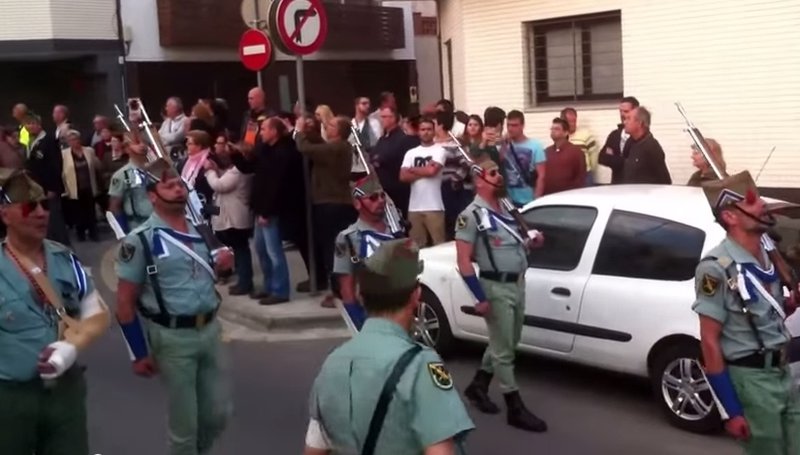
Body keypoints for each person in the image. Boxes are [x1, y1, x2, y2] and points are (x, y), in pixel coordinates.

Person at [303, 239, 475, 454]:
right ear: (416, 295)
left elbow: (314, 449)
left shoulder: (332, 364)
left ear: (361, 297)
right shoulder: (419, 365)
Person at [115, 158, 234, 455]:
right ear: (152, 196)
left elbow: (212, 274)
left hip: (209, 329)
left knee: (218, 413)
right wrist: (138, 352)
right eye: (168, 185)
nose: (178, 189)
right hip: (171, 337)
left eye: (180, 184)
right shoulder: (140, 239)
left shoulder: (201, 231)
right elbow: (125, 302)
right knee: (185, 426)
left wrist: (225, 266)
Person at [0, 168, 110, 454]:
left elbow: (96, 312)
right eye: (29, 206)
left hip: (65, 395)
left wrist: (72, 346)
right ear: (4, 215)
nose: (40, 213)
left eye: (45, 205)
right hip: (10, 398)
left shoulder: (64, 258)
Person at [693, 170, 800, 454]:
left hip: (783, 372)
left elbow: (761, 315)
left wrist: (788, 307)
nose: (762, 204)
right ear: (730, 217)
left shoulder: (768, 260)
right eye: (752, 201)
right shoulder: (716, 268)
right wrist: (731, 409)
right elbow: (709, 341)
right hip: (751, 381)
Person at [454, 159, 548, 433]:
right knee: (505, 349)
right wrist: (479, 296)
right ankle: (514, 406)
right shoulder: (470, 215)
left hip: (517, 284)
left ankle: (478, 386)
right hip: (494, 287)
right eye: (493, 173)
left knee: (507, 341)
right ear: (480, 180)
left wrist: (532, 241)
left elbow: (516, 243)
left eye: (499, 171)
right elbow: (463, 261)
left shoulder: (505, 209)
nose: (499, 176)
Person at [332, 173, 399, 330]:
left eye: (382, 196)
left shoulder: (397, 230)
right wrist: (359, 323)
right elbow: (346, 288)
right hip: (372, 315)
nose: (381, 201)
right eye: (373, 198)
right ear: (357, 203)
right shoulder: (348, 238)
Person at [399, 116, 447, 247]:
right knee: (416, 248)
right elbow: (403, 176)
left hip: (435, 206)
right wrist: (425, 169)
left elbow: (432, 172)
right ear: (418, 131)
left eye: (429, 129)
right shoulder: (410, 153)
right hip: (414, 207)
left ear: (434, 131)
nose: (426, 132)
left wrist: (412, 170)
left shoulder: (440, 150)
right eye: (423, 129)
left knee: (439, 246)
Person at [108, 142, 154, 234]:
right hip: (138, 227)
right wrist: (122, 232)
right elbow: (114, 206)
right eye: (136, 143)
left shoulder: (155, 170)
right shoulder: (121, 175)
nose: (141, 145)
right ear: (127, 149)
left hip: (161, 224)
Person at [598, 96, 639, 184]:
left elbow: (637, 163)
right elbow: (601, 158)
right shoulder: (615, 135)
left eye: (626, 111)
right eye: (620, 111)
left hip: (636, 187)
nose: (622, 115)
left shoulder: (641, 137)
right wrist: (623, 161)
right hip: (617, 185)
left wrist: (614, 157)